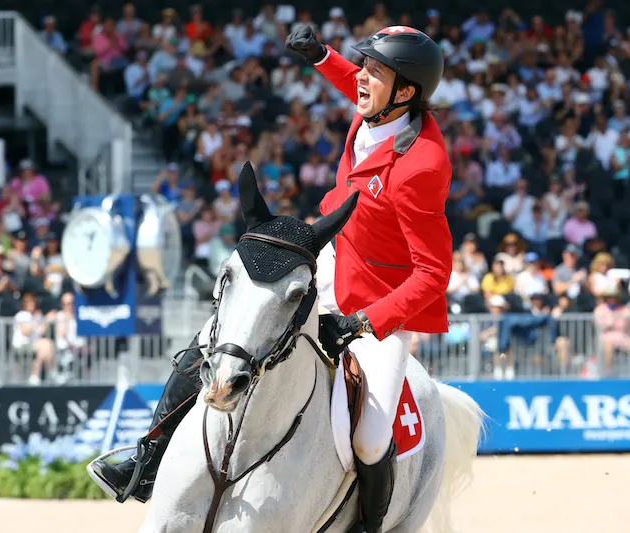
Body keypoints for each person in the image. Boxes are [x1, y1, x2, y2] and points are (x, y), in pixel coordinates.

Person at [92, 23, 450, 533]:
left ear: (405, 92)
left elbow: (434, 273)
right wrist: (322, 56)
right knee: (212, 342)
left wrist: (364, 322)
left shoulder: (422, 165)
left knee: (370, 437)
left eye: (375, 71)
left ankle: (367, 526)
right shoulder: (380, 107)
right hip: (329, 261)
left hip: (379, 302)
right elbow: (355, 83)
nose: (362, 79)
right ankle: (146, 462)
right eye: (365, 69)